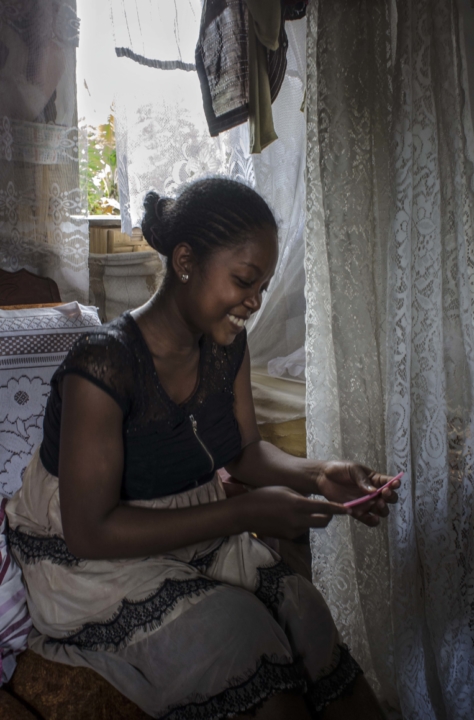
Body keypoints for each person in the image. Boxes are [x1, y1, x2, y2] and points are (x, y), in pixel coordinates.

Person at [7, 178, 400, 720]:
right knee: (240, 632)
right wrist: (245, 511)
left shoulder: (226, 345)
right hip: (94, 566)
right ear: (186, 262)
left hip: (192, 531)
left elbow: (245, 452)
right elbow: (89, 532)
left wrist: (319, 474)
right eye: (244, 281)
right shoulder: (102, 366)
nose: (255, 302)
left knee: (305, 612)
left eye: (263, 285)